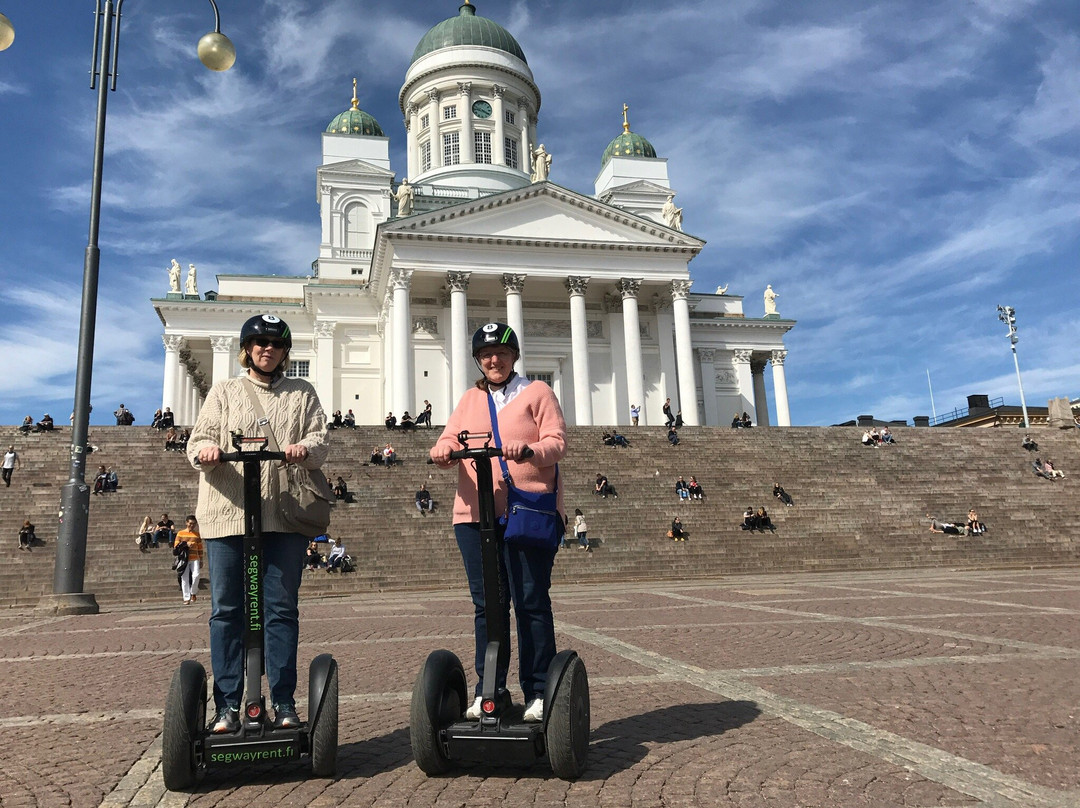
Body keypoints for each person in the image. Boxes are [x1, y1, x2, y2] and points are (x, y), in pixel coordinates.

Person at [188, 313, 329, 734]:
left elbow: (321, 439)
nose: (267, 349)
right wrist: (209, 449)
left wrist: (304, 448)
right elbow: (197, 441)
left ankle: (284, 701)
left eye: (276, 344)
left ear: (285, 352)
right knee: (227, 610)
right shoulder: (225, 390)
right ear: (247, 349)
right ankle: (228, 705)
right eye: (260, 342)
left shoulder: (302, 393)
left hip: (283, 515)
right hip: (227, 514)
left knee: (281, 609)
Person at [430, 322, 567, 724]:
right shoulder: (471, 398)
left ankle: (539, 690)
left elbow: (557, 442)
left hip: (526, 511)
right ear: (479, 360)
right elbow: (450, 437)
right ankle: (490, 689)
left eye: (502, 353)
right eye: (486, 354)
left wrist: (529, 450)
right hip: (474, 514)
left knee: (530, 602)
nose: (494, 360)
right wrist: (443, 449)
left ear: (514, 356)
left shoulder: (537, 392)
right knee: (486, 605)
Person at [173, 516, 204, 605]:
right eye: (190, 523)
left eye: (194, 524)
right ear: (186, 523)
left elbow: (200, 548)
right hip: (184, 559)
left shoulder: (197, 534)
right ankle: (186, 598)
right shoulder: (180, 533)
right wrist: (186, 544)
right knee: (184, 578)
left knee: (196, 575)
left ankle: (193, 592)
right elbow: (176, 547)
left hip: (195, 558)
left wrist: (201, 559)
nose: (192, 525)